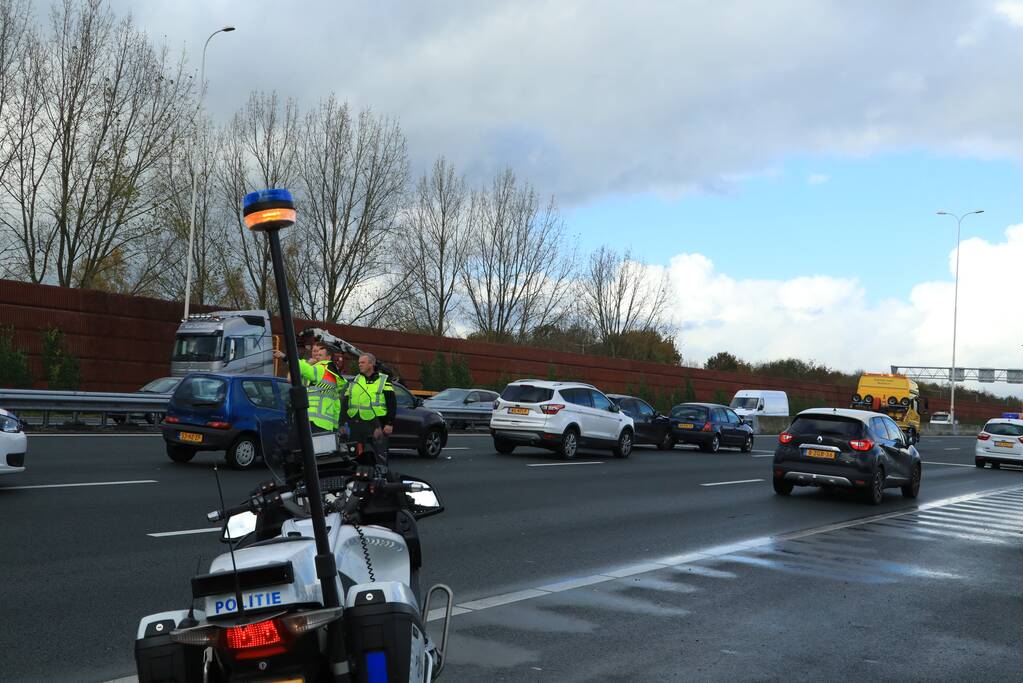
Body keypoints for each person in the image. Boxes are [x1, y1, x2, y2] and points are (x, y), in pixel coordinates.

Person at [273, 341, 345, 434]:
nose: (317, 356)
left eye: (320, 354)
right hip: (322, 423)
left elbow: (306, 371)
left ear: (328, 358)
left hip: (314, 421)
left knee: (297, 447)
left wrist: (285, 357)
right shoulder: (328, 372)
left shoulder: (323, 367)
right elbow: (290, 378)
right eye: (315, 352)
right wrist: (335, 426)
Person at [341, 352, 396, 469]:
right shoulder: (355, 380)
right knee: (355, 456)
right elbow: (345, 402)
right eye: (359, 362)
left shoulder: (383, 380)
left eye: (362, 362)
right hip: (356, 424)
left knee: (379, 456)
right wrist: (342, 423)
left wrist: (389, 423)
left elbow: (391, 403)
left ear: (371, 364)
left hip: (377, 424)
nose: (359, 365)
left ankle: (381, 480)